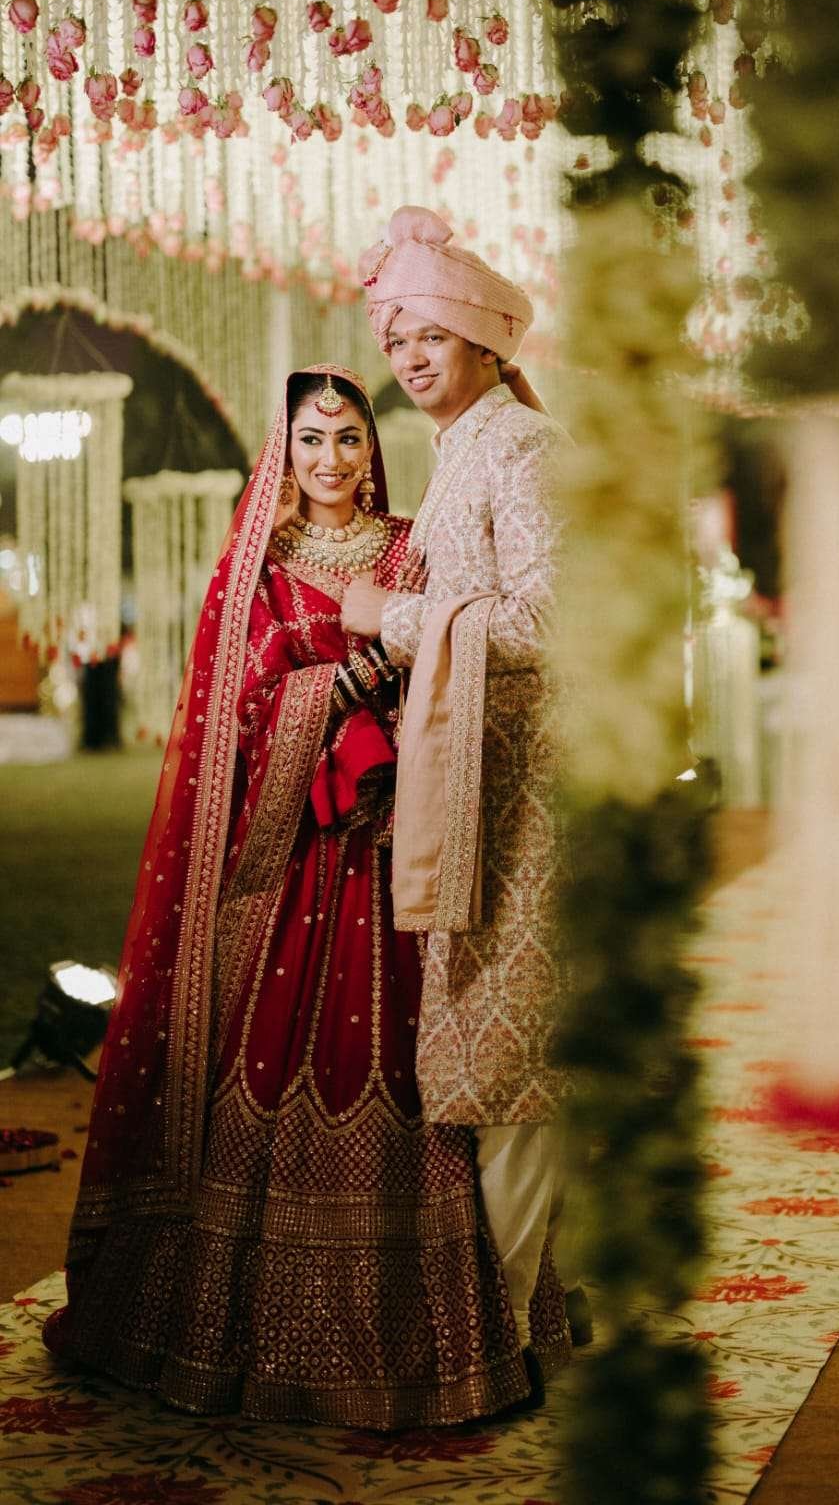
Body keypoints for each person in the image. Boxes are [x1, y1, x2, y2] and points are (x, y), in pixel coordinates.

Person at [43, 363, 567, 1426]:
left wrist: (395, 654)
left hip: (414, 841)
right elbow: (237, 715)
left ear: (374, 451)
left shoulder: (416, 546)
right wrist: (354, 675)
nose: (331, 459)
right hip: (306, 859)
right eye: (310, 442)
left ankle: (476, 1322)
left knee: (445, 1068)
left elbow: (474, 636)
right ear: (283, 456)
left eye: (349, 439)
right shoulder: (259, 569)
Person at [344, 209, 589, 1396]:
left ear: (486, 341)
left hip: (526, 798)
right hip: (474, 787)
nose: (408, 356)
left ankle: (492, 1340)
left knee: (510, 1059)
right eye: (395, 339)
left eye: (430, 334)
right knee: (487, 1054)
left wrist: (390, 620)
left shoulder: (525, 449)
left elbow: (547, 622)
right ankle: (516, 1320)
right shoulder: (460, 455)